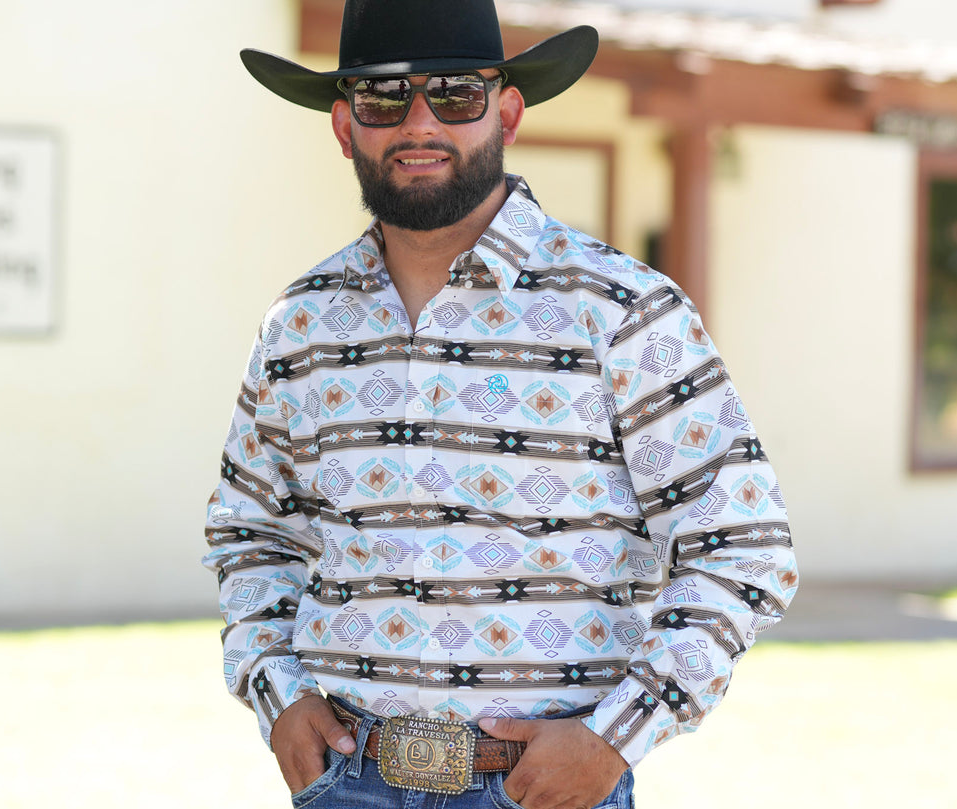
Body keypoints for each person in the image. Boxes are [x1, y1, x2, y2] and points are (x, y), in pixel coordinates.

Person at [203, 2, 798, 807]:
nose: (420, 123)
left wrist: (615, 737)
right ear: (345, 126)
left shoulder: (622, 310)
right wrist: (278, 694)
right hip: (347, 781)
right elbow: (250, 532)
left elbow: (742, 546)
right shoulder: (300, 324)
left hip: (541, 789)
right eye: (384, 98)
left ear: (506, 111)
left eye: (454, 93)